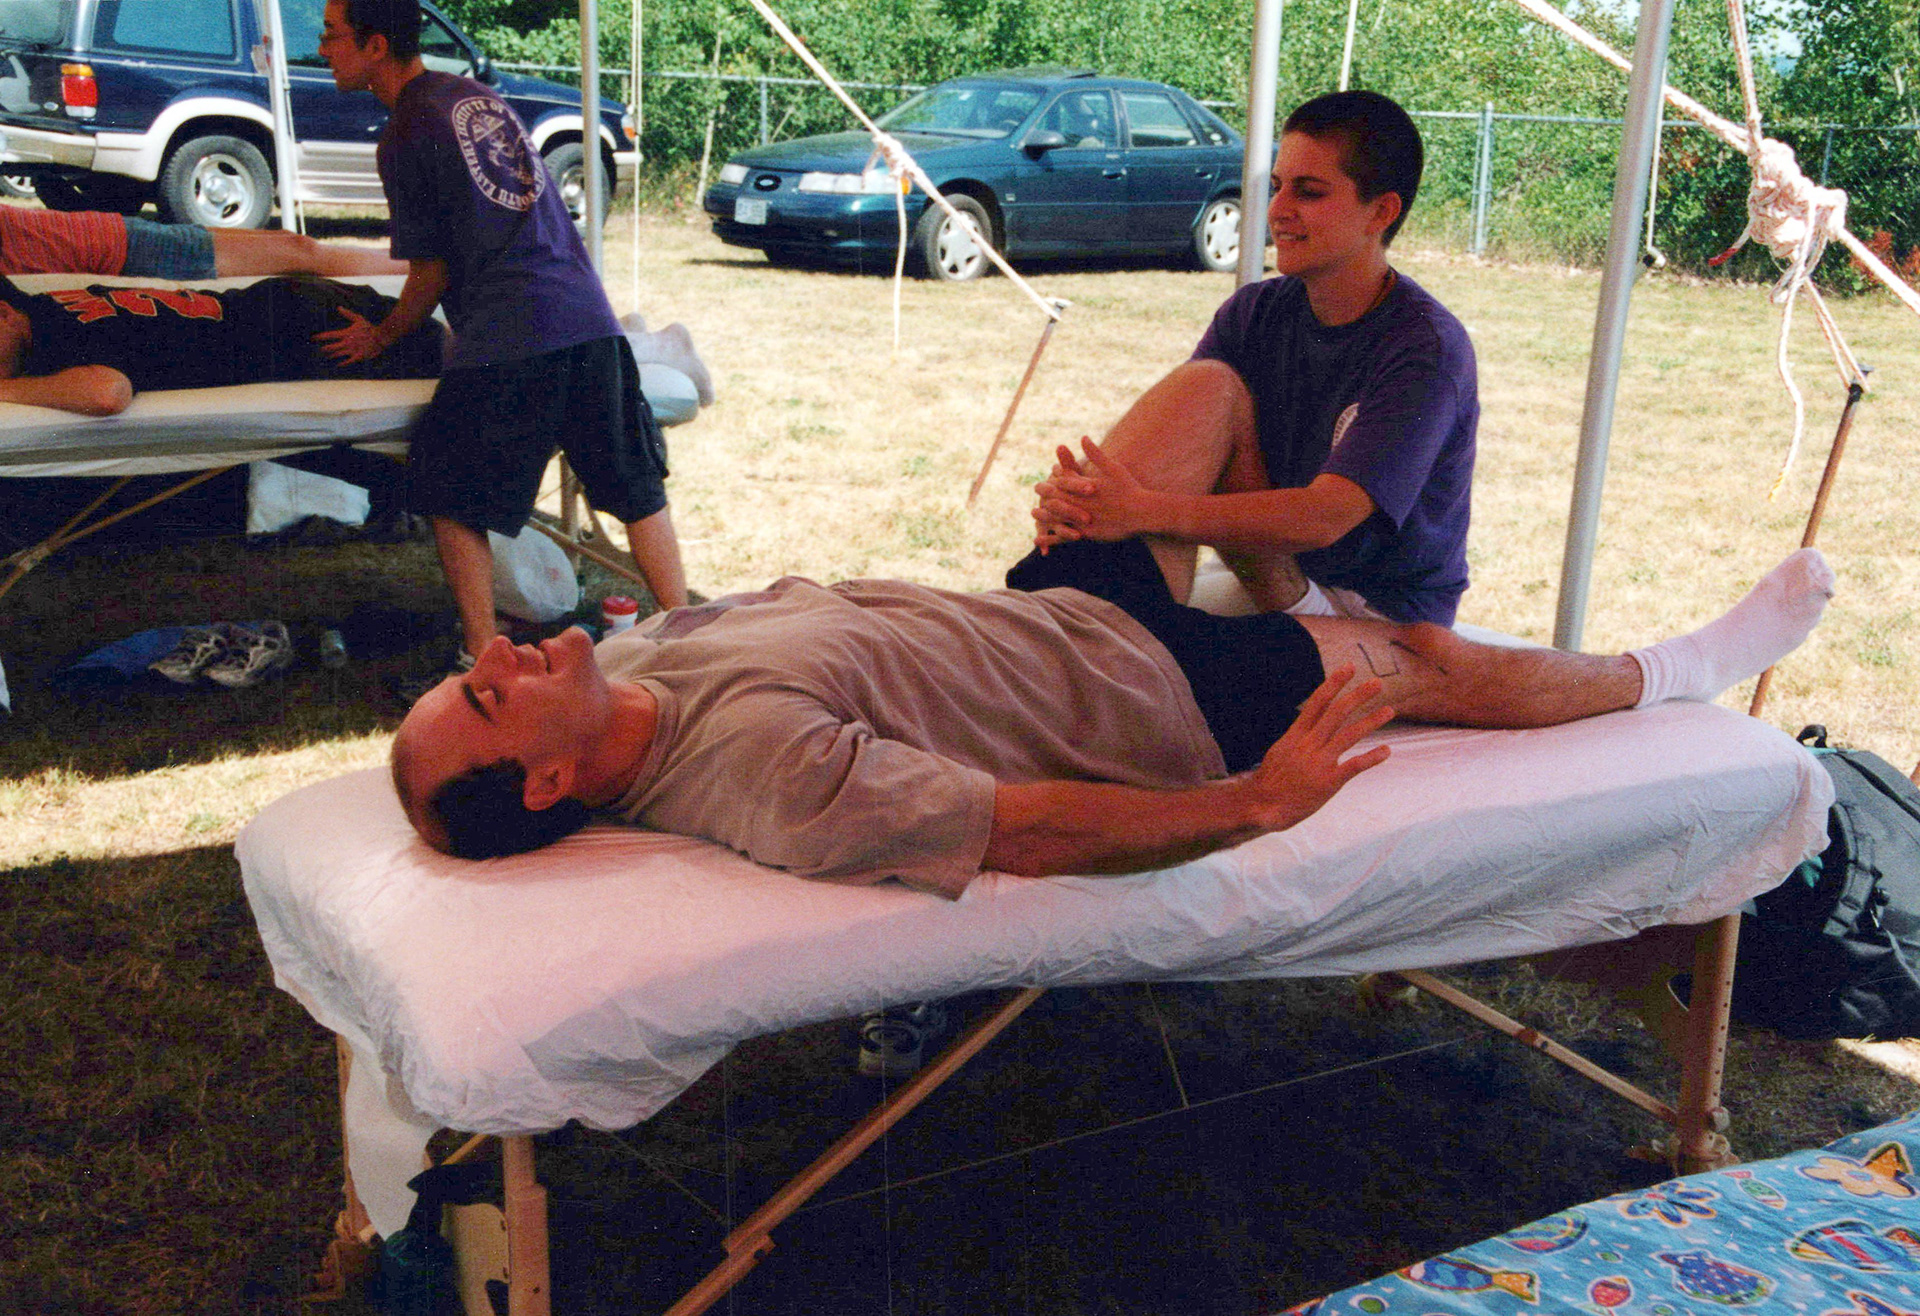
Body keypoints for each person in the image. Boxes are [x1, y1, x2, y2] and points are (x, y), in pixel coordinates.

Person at [390, 541, 1836, 896]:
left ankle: (1300, 583)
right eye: (488, 693)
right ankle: (1680, 670)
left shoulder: (640, 654)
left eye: (476, 668)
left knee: (1197, 401)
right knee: (1417, 656)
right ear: (548, 783)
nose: (501, 652)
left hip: (1057, 614)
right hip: (1158, 697)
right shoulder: (760, 773)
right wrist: (1250, 804)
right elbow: (1016, 829)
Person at [314, 0, 689, 678]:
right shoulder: (474, 96)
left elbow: (430, 272)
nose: (321, 49)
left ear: (375, 46)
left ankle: (483, 657)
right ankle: (690, 641)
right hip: (589, 320)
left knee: (446, 493)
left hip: (512, 334)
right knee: (636, 489)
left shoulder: (404, 132)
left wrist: (382, 335)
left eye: (332, 35)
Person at [1031, 89, 1475, 626]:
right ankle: (1058, 619)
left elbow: (1324, 518)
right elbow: (1184, 447)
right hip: (1271, 577)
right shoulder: (1254, 312)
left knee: (1146, 534)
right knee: (1206, 385)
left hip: (1376, 617)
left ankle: (1076, 636)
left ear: (1380, 212)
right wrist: (1081, 500)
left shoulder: (1426, 348)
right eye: (1278, 186)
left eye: (1308, 192)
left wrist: (1139, 509)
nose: (1278, 210)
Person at [0, 274, 445, 415]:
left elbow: (107, 393)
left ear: (6, 313)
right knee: (451, 349)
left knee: (457, 360)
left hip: (307, 335)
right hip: (282, 308)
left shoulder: (58, 338)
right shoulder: (45, 305)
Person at [0, 205, 404, 280]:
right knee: (299, 253)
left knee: (294, 245)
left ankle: (412, 263)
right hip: (133, 251)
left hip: (125, 236)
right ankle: (414, 266)